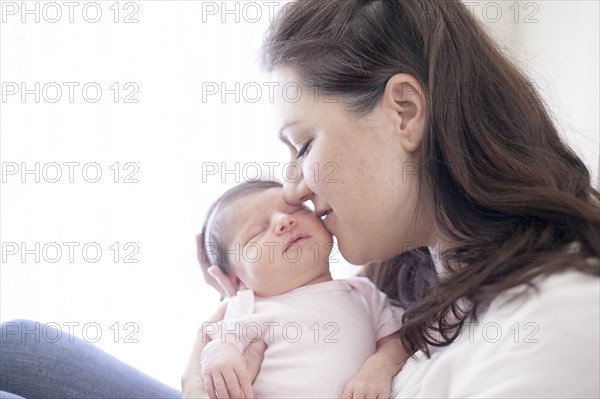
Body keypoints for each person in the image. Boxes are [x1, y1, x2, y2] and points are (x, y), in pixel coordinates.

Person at [184, 0, 600, 397]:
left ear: (404, 111)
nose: (292, 191)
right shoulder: (411, 287)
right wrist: (248, 296)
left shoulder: (553, 323)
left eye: (305, 145)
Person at [198, 179, 407, 398]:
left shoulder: (363, 292)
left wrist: (377, 369)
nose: (284, 220)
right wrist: (219, 356)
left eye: (297, 210)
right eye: (256, 233)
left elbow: (397, 341)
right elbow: (221, 343)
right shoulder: (246, 307)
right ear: (237, 281)